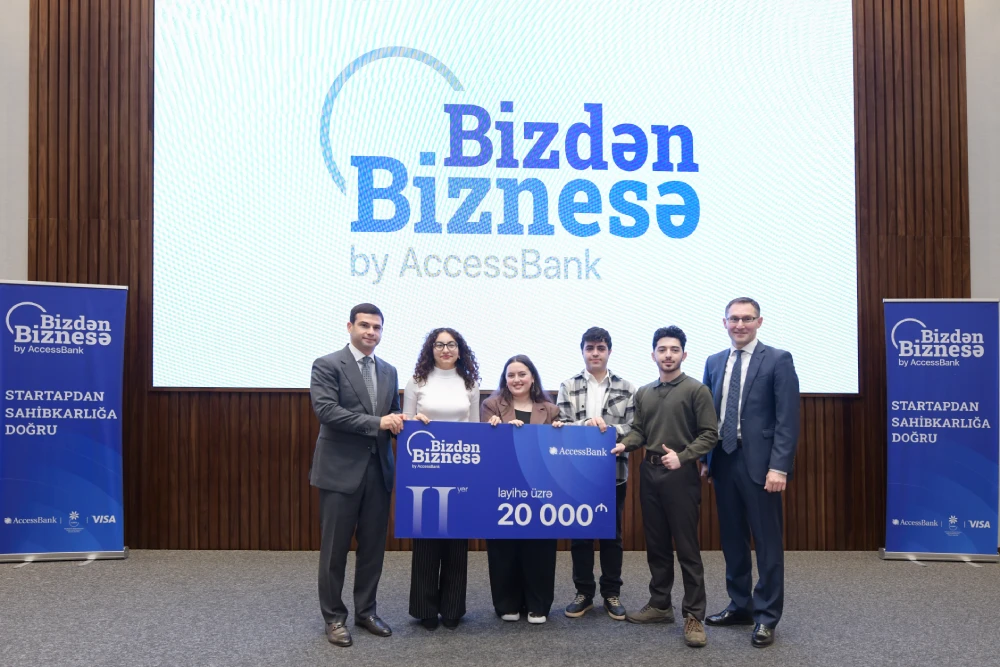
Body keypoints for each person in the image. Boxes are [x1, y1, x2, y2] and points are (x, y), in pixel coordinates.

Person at [701, 297, 800, 648]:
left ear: (759, 322)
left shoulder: (778, 359)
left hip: (761, 464)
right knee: (732, 539)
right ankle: (740, 605)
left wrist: (779, 467)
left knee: (767, 542)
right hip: (723, 460)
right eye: (734, 319)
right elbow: (708, 416)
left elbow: (788, 419)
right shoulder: (714, 361)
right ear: (724, 322)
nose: (740, 325)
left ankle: (767, 616)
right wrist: (705, 459)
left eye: (747, 318)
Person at [612, 326, 717, 648]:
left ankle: (694, 616)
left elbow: (710, 434)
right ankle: (660, 605)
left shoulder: (697, 390)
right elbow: (640, 432)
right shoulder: (644, 392)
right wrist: (624, 444)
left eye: (674, 350)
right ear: (653, 354)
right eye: (662, 349)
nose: (668, 355)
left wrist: (682, 457)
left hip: (680, 476)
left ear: (684, 354)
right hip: (649, 473)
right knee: (656, 544)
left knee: (686, 548)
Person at [309, 303, 404, 648]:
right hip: (340, 471)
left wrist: (410, 424)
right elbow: (327, 411)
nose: (371, 333)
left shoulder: (389, 370)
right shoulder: (327, 364)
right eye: (364, 325)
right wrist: (379, 423)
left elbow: (393, 412)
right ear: (350, 327)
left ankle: (366, 611)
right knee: (334, 550)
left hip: (379, 471)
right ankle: (334, 618)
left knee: (373, 548)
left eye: (377, 328)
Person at [556, 327, 637, 621]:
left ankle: (611, 593)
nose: (595, 353)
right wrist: (587, 426)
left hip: (613, 473)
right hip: (577, 473)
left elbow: (634, 427)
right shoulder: (568, 385)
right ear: (583, 351)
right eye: (589, 348)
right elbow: (561, 424)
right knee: (580, 536)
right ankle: (584, 593)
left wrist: (608, 429)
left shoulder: (627, 387)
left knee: (611, 536)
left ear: (609, 352)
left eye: (600, 348)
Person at [404, 328, 481, 631]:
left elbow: (475, 429)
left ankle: (452, 608)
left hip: (460, 469)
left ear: (460, 350)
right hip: (424, 470)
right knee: (426, 541)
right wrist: (414, 422)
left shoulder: (470, 383)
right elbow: (406, 422)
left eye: (451, 344)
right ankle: (425, 609)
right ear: (431, 349)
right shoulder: (417, 381)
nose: (445, 349)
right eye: (439, 344)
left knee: (456, 543)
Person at [481, 355, 563, 624]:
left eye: (522, 374)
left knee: (539, 547)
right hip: (502, 486)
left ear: (532, 377)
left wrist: (560, 432)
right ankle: (507, 603)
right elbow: (485, 446)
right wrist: (499, 431)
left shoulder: (550, 409)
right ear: (505, 379)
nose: (516, 379)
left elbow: (557, 451)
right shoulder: (491, 406)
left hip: (540, 487)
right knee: (504, 547)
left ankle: (538, 604)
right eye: (511, 375)